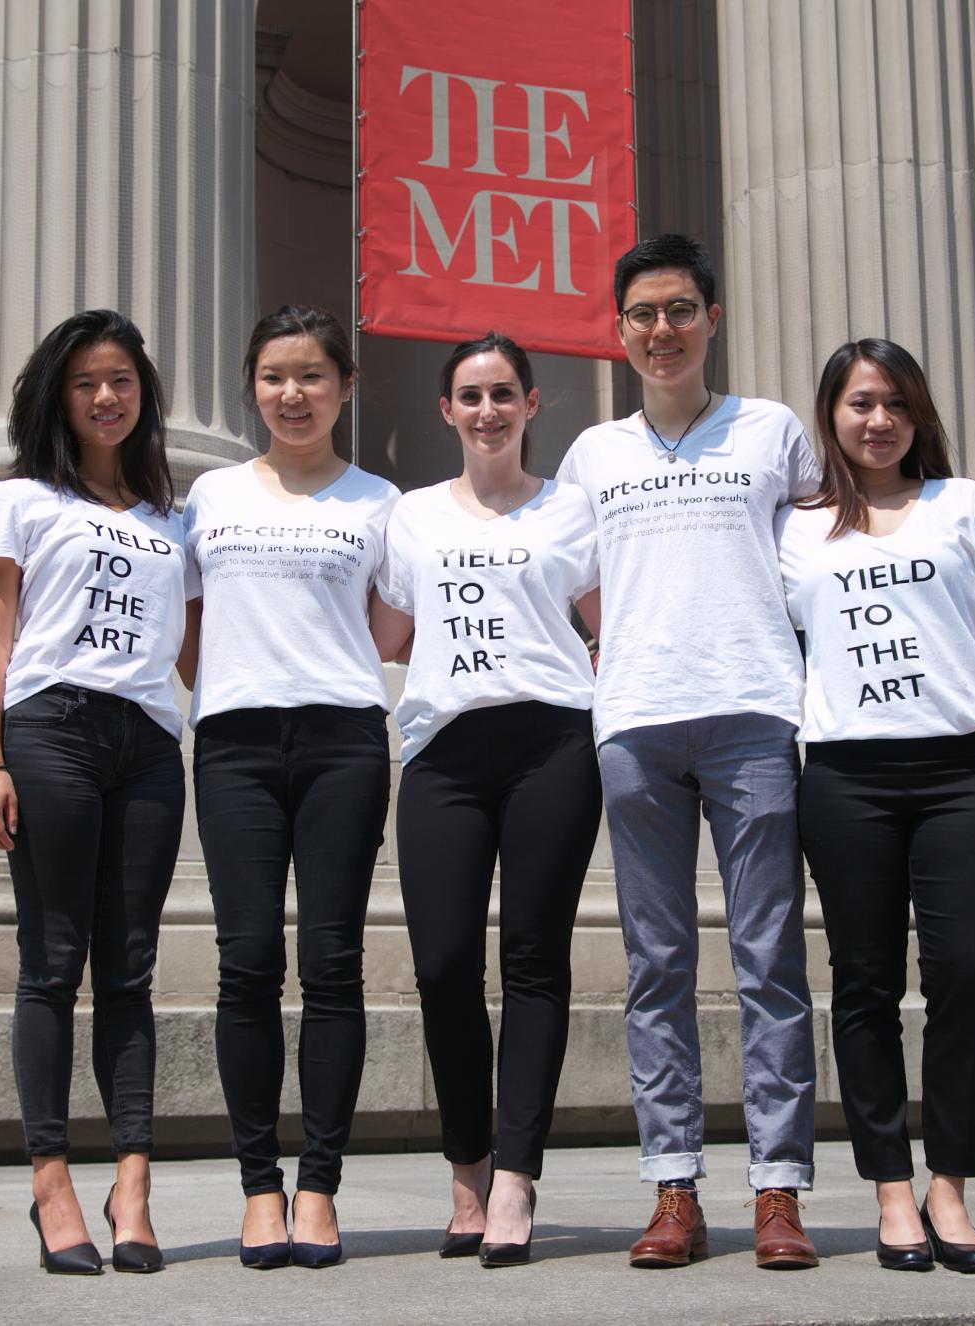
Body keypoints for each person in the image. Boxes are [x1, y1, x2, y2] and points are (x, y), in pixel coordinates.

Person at [556, 233, 821, 1269]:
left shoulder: (770, 431)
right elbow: (562, 568)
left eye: (678, 311)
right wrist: (605, 642)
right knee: (654, 964)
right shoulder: (593, 453)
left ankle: (776, 1190)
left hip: (754, 710)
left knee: (768, 960)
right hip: (633, 721)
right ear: (617, 333)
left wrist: (967, 519)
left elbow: (839, 531)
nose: (659, 330)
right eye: (641, 315)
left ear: (710, 318)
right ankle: (672, 1186)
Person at [776, 339, 975, 1273]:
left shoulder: (963, 506)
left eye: (893, 403)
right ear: (832, 416)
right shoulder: (794, 526)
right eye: (858, 404)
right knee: (862, 984)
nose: (877, 420)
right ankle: (891, 1189)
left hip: (963, 773)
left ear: (916, 412)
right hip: (845, 777)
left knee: (966, 974)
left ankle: (949, 1187)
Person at [369, 332, 603, 1268]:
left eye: (503, 394)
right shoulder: (412, 515)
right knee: (442, 965)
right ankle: (464, 1163)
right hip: (442, 751)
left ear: (533, 405)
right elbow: (387, 632)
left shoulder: (574, 511)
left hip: (551, 740)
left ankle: (513, 1177)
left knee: (536, 961)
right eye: (469, 396)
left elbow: (615, 616)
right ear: (445, 411)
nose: (487, 411)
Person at [0, 309, 191, 1275]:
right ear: (58, 396)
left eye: (123, 382)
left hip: (148, 745)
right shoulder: (19, 498)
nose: (106, 397)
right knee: (53, 961)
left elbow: (199, 651)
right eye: (86, 382)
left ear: (144, 396)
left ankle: (132, 1183)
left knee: (131, 970)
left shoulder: (170, 520)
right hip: (50, 730)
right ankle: (51, 1180)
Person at [177, 305, 398, 1269]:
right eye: (273, 376)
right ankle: (259, 1187)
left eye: (311, 375)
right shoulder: (210, 494)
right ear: (252, 387)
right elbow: (185, 630)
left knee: (335, 963)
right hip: (233, 741)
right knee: (248, 961)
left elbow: (392, 629)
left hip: (344, 739)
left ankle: (320, 1188)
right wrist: (245, 677)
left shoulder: (381, 501)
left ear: (345, 386)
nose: (291, 394)